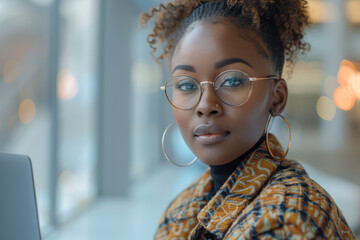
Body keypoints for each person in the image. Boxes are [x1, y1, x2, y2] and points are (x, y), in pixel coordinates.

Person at [140, 0, 355, 239]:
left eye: (232, 81)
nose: (205, 106)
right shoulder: (180, 210)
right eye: (187, 85)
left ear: (277, 97)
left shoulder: (286, 218)